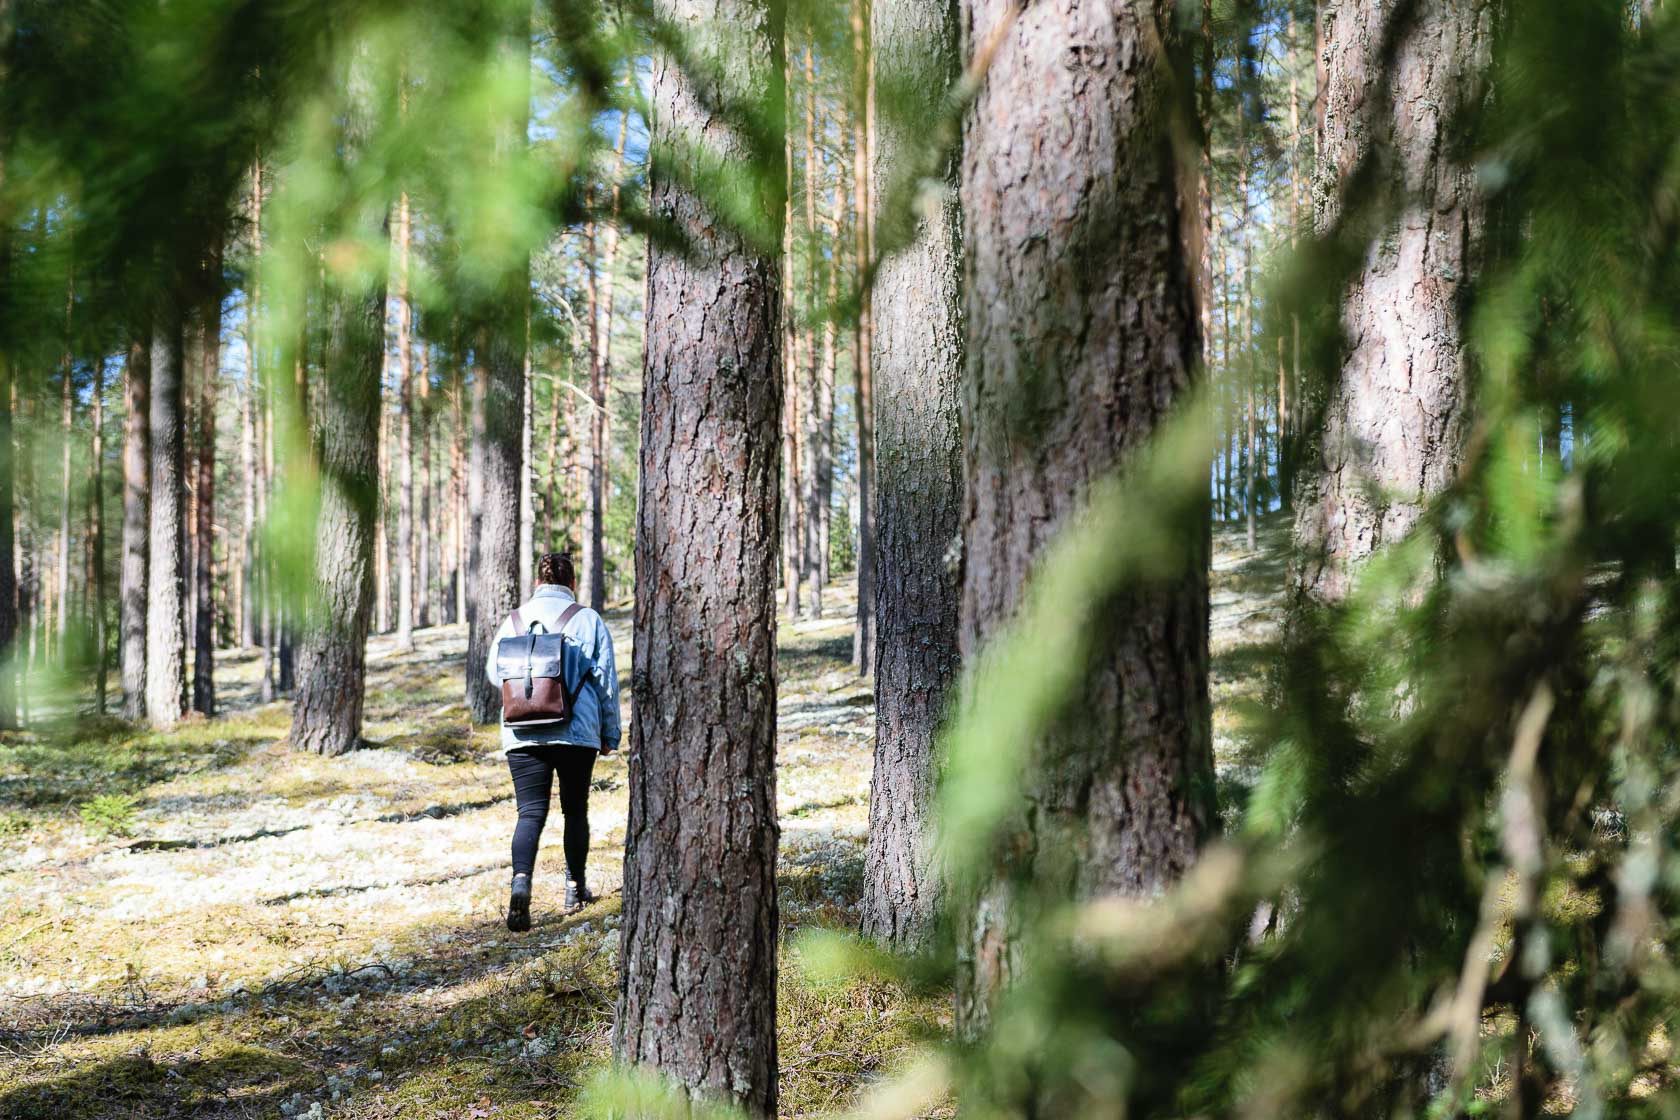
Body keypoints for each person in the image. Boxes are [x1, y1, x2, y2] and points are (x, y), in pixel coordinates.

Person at [483, 552, 621, 932]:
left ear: (537, 583)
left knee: (529, 812)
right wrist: (610, 734)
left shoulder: (513, 620)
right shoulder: (587, 619)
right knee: (575, 810)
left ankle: (521, 882)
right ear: (572, 583)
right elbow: (606, 682)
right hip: (576, 733)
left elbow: (495, 675)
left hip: (522, 733)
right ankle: (574, 889)